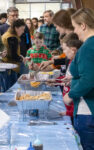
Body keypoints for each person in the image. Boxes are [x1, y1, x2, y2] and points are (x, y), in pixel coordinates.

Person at [63, 8, 94, 150]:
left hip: (87, 109)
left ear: (83, 25)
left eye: (75, 27)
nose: (74, 32)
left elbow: (88, 80)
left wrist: (70, 95)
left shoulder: (88, 46)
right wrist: (74, 80)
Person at [2, 19, 25, 86]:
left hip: (7, 66)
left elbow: (10, 51)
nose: (23, 31)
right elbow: (13, 55)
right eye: (22, 29)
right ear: (16, 28)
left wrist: (20, 56)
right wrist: (22, 59)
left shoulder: (7, 34)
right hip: (10, 68)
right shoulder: (12, 37)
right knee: (11, 89)